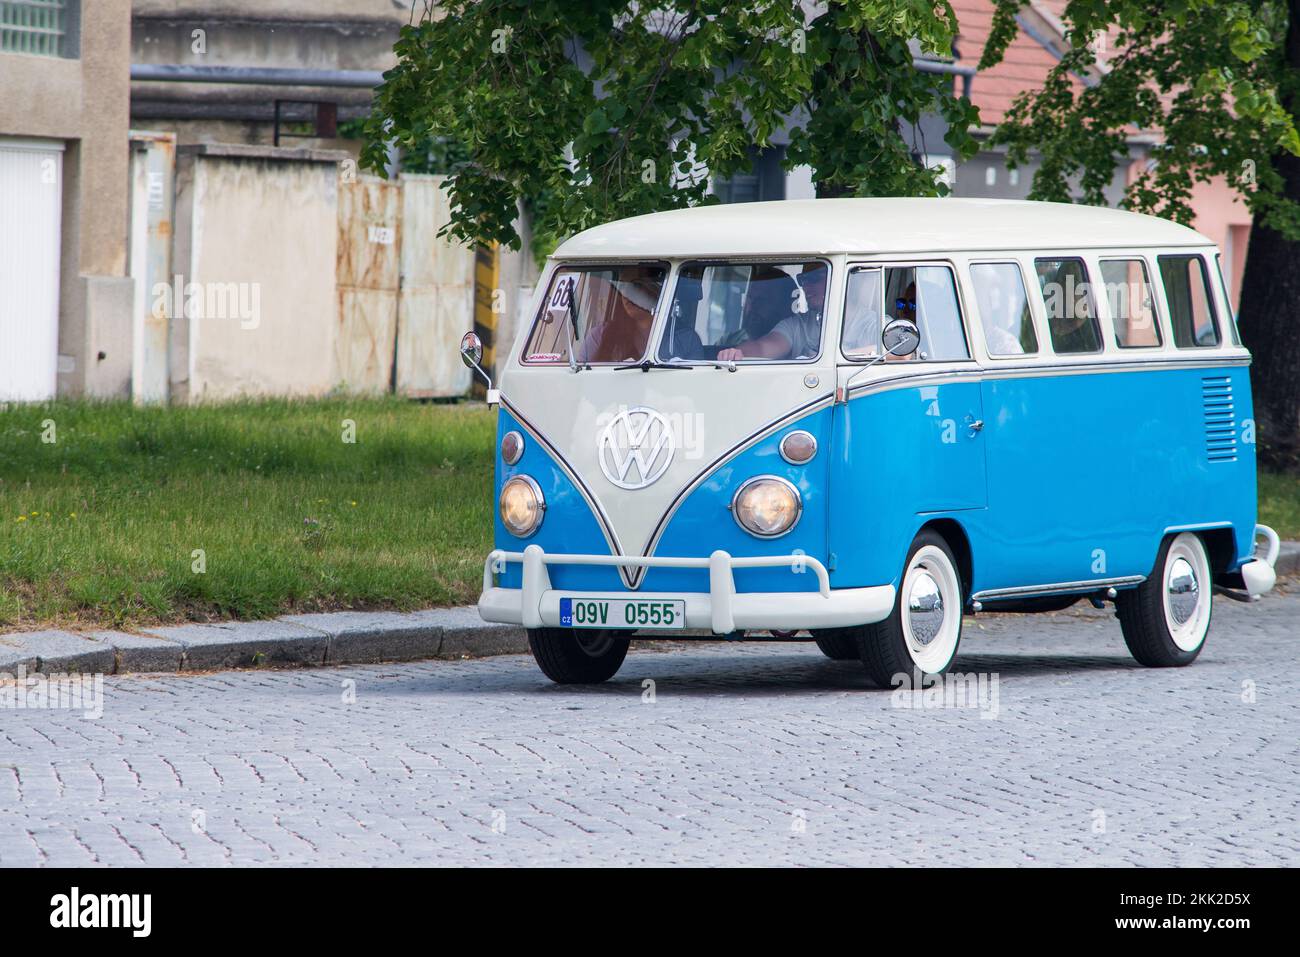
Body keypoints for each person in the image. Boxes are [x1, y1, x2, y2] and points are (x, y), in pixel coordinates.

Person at [717, 263, 828, 361]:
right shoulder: (796, 325)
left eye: (814, 278)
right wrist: (737, 353)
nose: (805, 286)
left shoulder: (845, 329)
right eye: (803, 279)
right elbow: (763, 347)